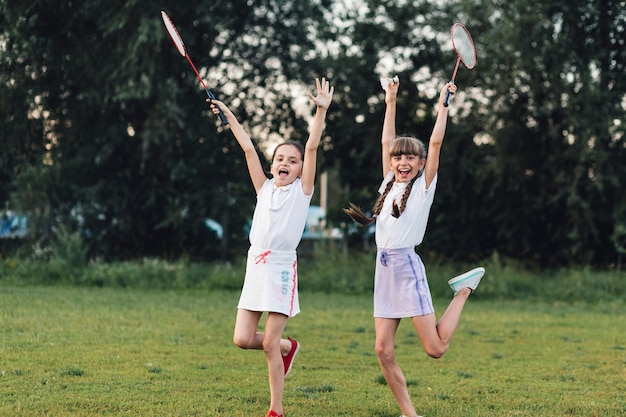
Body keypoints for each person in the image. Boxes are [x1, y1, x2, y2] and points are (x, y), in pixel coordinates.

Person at [344, 77, 485, 417]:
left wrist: (443, 106)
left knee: (435, 349)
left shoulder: (423, 187)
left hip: (407, 268)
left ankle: (463, 290)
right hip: (384, 269)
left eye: (411, 157)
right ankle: (410, 414)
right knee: (382, 350)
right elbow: (385, 140)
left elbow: (436, 142)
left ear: (421, 163)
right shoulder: (389, 181)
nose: (403, 161)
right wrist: (390, 100)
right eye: (398, 158)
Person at [208, 77, 334, 417]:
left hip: (280, 268)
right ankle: (287, 347)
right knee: (242, 338)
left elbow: (311, 148)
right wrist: (227, 114)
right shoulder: (263, 188)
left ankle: (275, 409)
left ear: (299, 170)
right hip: (256, 266)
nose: (286, 163)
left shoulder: (302, 192)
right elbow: (248, 147)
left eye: (292, 161)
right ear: (272, 163)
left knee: (265, 344)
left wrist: (320, 112)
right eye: (280, 158)